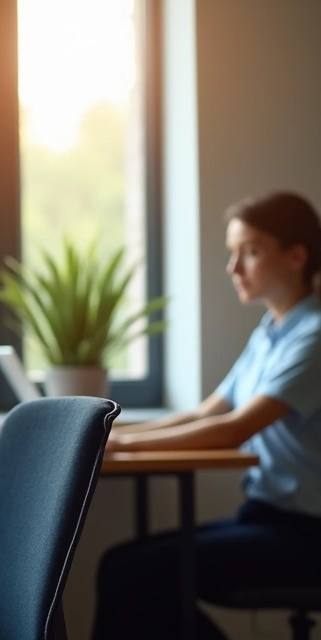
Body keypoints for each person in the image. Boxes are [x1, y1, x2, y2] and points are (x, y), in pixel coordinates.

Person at [94, 191, 321, 640]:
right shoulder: (272, 333)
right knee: (122, 566)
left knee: (135, 577)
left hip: (306, 534)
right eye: (233, 253)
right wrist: (107, 432)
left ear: (297, 255)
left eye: (250, 252)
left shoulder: (313, 336)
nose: (234, 268)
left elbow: (235, 429)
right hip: (263, 516)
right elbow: (207, 412)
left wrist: (123, 445)